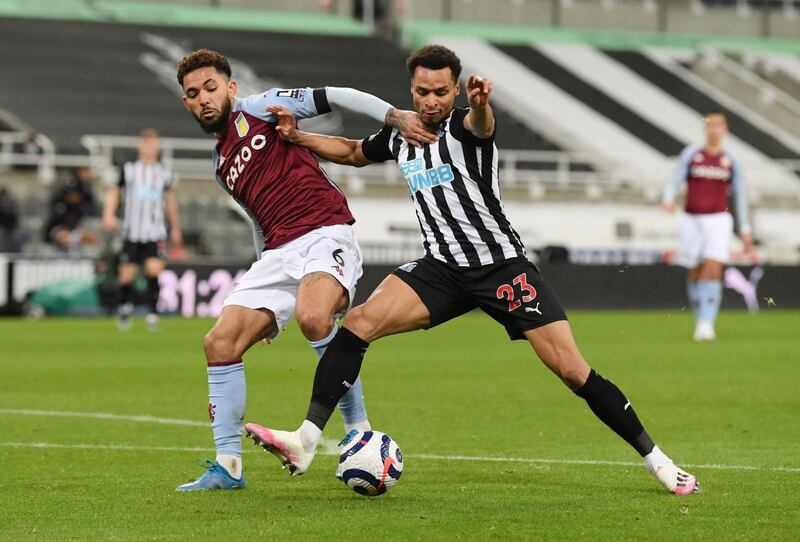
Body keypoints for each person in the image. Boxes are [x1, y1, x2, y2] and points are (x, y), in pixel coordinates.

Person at [245, 44, 699, 496]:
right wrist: (298, 137)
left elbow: (482, 123)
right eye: (423, 91)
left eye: (441, 92)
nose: (431, 101)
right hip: (440, 269)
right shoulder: (401, 134)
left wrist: (481, 105)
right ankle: (305, 440)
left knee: (571, 370)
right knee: (359, 323)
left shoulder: (466, 127)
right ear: (412, 89)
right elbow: (351, 151)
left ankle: (658, 461)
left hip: (500, 268)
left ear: (455, 89)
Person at [172, 48, 434, 491]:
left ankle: (358, 429)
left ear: (230, 88)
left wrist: (395, 117)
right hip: (275, 254)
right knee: (218, 342)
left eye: (211, 88)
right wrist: (268, 301)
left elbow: (338, 94)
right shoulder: (221, 166)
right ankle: (228, 467)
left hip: (323, 232)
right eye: (193, 94)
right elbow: (257, 218)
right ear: (186, 103)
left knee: (315, 318)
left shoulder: (260, 109)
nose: (203, 99)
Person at [663, 112, 752, 342]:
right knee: (694, 271)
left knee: (713, 268)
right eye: (710, 125)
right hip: (692, 219)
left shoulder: (731, 160)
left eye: (718, 125)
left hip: (719, 220)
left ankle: (706, 324)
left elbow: (741, 195)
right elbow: (675, 180)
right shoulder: (692, 154)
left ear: (725, 130)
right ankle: (700, 318)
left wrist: (745, 228)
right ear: (705, 129)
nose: (714, 129)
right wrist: (669, 198)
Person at [103, 129, 182, 332]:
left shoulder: (164, 173)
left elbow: (170, 201)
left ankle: (152, 314)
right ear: (140, 146)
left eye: (152, 145)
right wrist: (109, 214)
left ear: (158, 148)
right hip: (132, 231)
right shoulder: (128, 170)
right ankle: (124, 307)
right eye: (145, 144)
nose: (149, 148)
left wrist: (175, 227)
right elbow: (114, 192)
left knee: (153, 270)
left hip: (155, 232)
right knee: (127, 275)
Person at [43, 166, 99, 253]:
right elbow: (57, 226)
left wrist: (81, 234)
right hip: (60, 234)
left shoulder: (85, 203)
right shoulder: (60, 203)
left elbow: (91, 221)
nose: (73, 196)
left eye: (76, 193)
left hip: (78, 232)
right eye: (71, 193)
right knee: (62, 236)